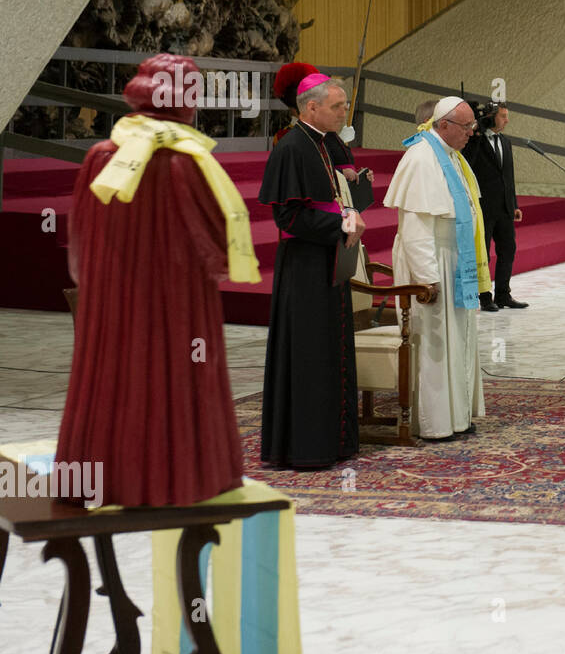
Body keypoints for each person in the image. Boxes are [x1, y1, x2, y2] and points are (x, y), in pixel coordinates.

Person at [56, 54, 259, 505]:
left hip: (113, 301)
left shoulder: (100, 157)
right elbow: (220, 244)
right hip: (178, 306)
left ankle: (96, 480)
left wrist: (100, 289)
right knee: (178, 380)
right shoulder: (191, 161)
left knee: (108, 378)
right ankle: (184, 479)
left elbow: (80, 244)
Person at [259, 73, 365, 467]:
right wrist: (339, 225)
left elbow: (331, 200)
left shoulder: (321, 144)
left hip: (326, 262)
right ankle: (306, 447)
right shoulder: (292, 148)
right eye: (337, 106)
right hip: (303, 269)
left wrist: (348, 216)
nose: (343, 112)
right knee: (308, 355)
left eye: (344, 105)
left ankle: (334, 440)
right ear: (311, 107)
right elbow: (287, 217)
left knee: (330, 351)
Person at [385, 96, 491, 439]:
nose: (471, 133)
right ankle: (436, 423)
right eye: (466, 126)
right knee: (434, 344)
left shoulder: (451, 156)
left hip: (453, 259)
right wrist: (427, 279)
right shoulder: (420, 158)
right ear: (443, 125)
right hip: (432, 263)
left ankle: (458, 415)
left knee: (457, 340)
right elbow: (416, 229)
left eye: (473, 126)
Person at [463, 101, 528, 311]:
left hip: (505, 207)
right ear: (491, 117)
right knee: (483, 253)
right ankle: (484, 297)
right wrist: (477, 135)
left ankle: (503, 294)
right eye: (503, 116)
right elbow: (468, 164)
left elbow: (508, 176)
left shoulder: (506, 142)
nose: (507, 120)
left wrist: (514, 203)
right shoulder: (475, 141)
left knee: (508, 249)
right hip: (484, 206)